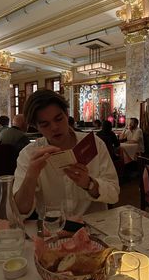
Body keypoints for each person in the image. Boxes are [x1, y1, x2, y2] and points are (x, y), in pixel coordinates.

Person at [13, 90, 120, 218]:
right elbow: (19, 211)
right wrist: (31, 175)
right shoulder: (29, 154)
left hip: (93, 227)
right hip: (53, 230)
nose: (54, 127)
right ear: (36, 127)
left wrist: (89, 184)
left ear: (66, 115)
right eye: (45, 124)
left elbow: (114, 194)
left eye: (59, 119)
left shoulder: (94, 143)